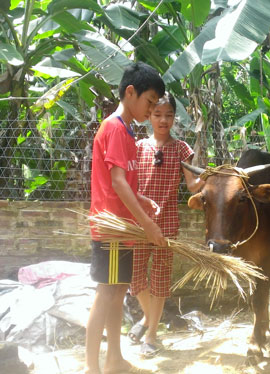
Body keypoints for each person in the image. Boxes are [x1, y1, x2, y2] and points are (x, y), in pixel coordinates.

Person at [86, 62, 168, 374]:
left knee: (117, 291)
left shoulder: (126, 130)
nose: (151, 110)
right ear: (130, 92)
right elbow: (118, 183)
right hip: (112, 230)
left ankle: (114, 360)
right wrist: (147, 225)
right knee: (107, 294)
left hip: (123, 228)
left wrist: (142, 200)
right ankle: (92, 368)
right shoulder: (116, 128)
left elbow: (121, 180)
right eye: (149, 102)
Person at [127, 92, 200, 357]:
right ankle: (148, 319)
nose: (163, 120)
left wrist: (209, 179)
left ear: (174, 117)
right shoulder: (137, 147)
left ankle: (152, 334)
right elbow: (128, 186)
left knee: (159, 281)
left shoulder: (182, 148)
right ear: (148, 116)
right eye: (158, 114)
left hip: (167, 225)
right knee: (135, 279)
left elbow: (192, 185)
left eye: (169, 115)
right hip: (138, 224)